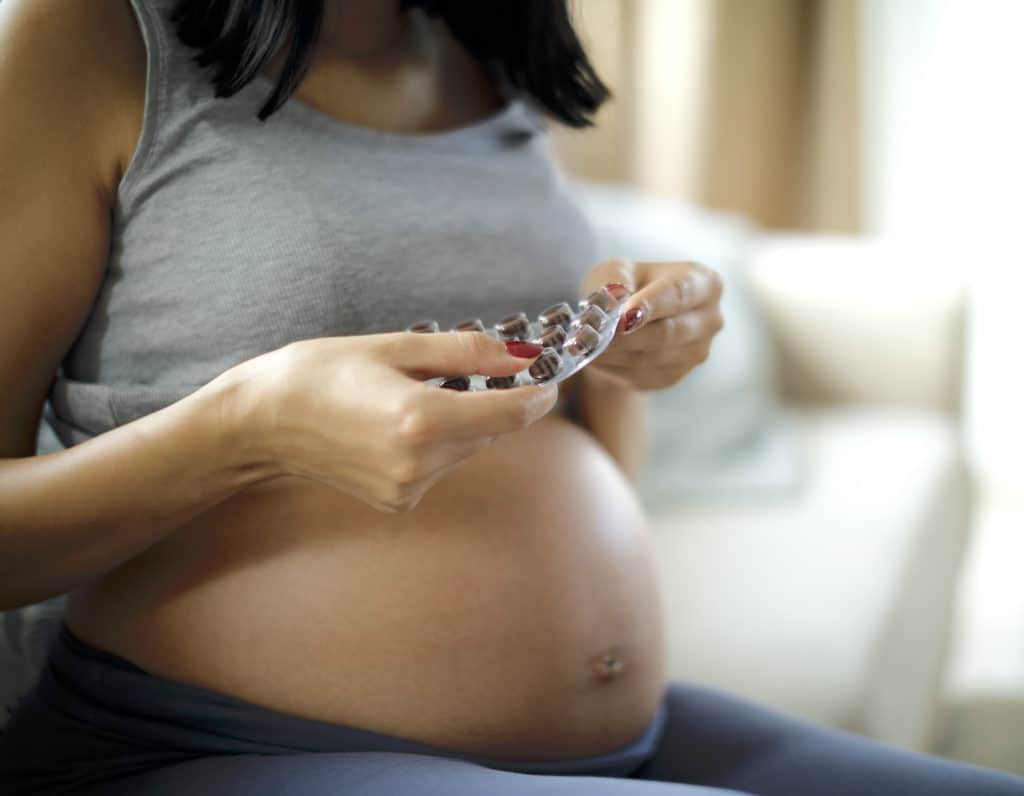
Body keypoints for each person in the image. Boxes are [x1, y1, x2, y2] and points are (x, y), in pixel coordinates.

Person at [0, 0, 1021, 794]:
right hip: (201, 744)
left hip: (622, 738)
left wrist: (624, 359)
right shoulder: (89, 39)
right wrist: (246, 429)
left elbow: (567, 467)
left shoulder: (488, 57)